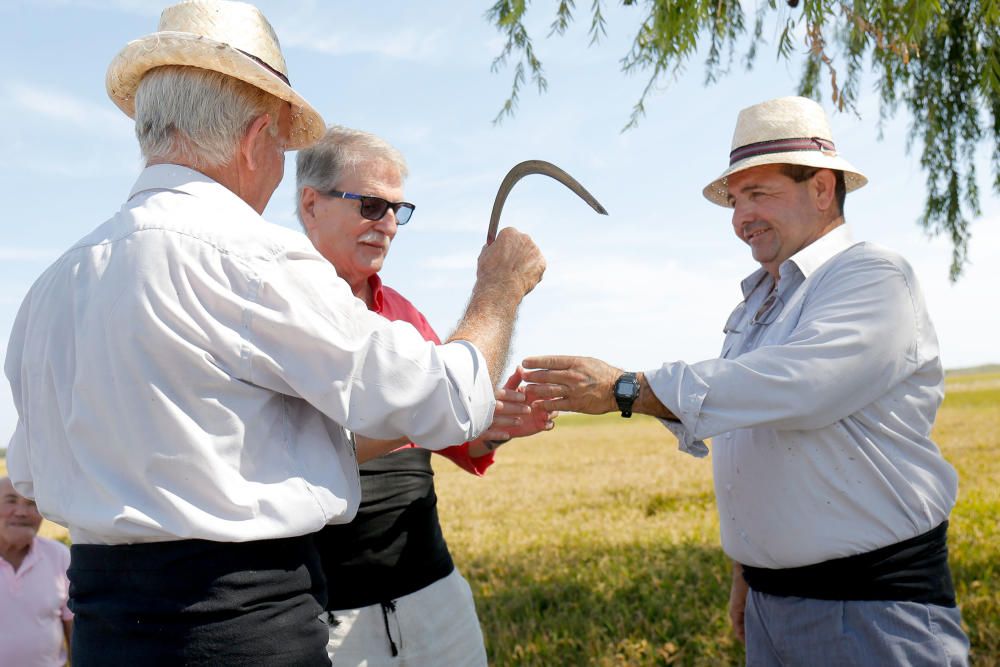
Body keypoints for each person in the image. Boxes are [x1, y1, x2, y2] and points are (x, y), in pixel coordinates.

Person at [4, 1, 545, 664]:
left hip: (101, 638)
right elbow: (449, 400)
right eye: (283, 151)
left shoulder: (49, 291)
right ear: (256, 138)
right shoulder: (253, 258)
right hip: (244, 631)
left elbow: (28, 475)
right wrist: (498, 289)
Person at [521, 96, 969, 666]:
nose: (741, 218)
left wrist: (625, 389)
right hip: (773, 603)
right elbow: (755, 430)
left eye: (759, 194)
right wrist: (749, 569)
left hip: (871, 609)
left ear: (822, 189)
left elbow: (799, 387)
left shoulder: (872, 275)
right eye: (735, 201)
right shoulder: (764, 296)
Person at [295, 126, 554, 665]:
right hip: (332, 613)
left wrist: (493, 427)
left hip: (434, 593)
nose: (387, 225)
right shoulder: (281, 310)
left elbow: (456, 442)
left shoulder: (405, 316)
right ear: (311, 205)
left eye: (397, 210)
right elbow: (304, 447)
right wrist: (425, 416)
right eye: (370, 205)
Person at [0, 477, 73, 667]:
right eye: (11, 501)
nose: (22, 512)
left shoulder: (59, 556)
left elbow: (74, 629)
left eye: (32, 503)